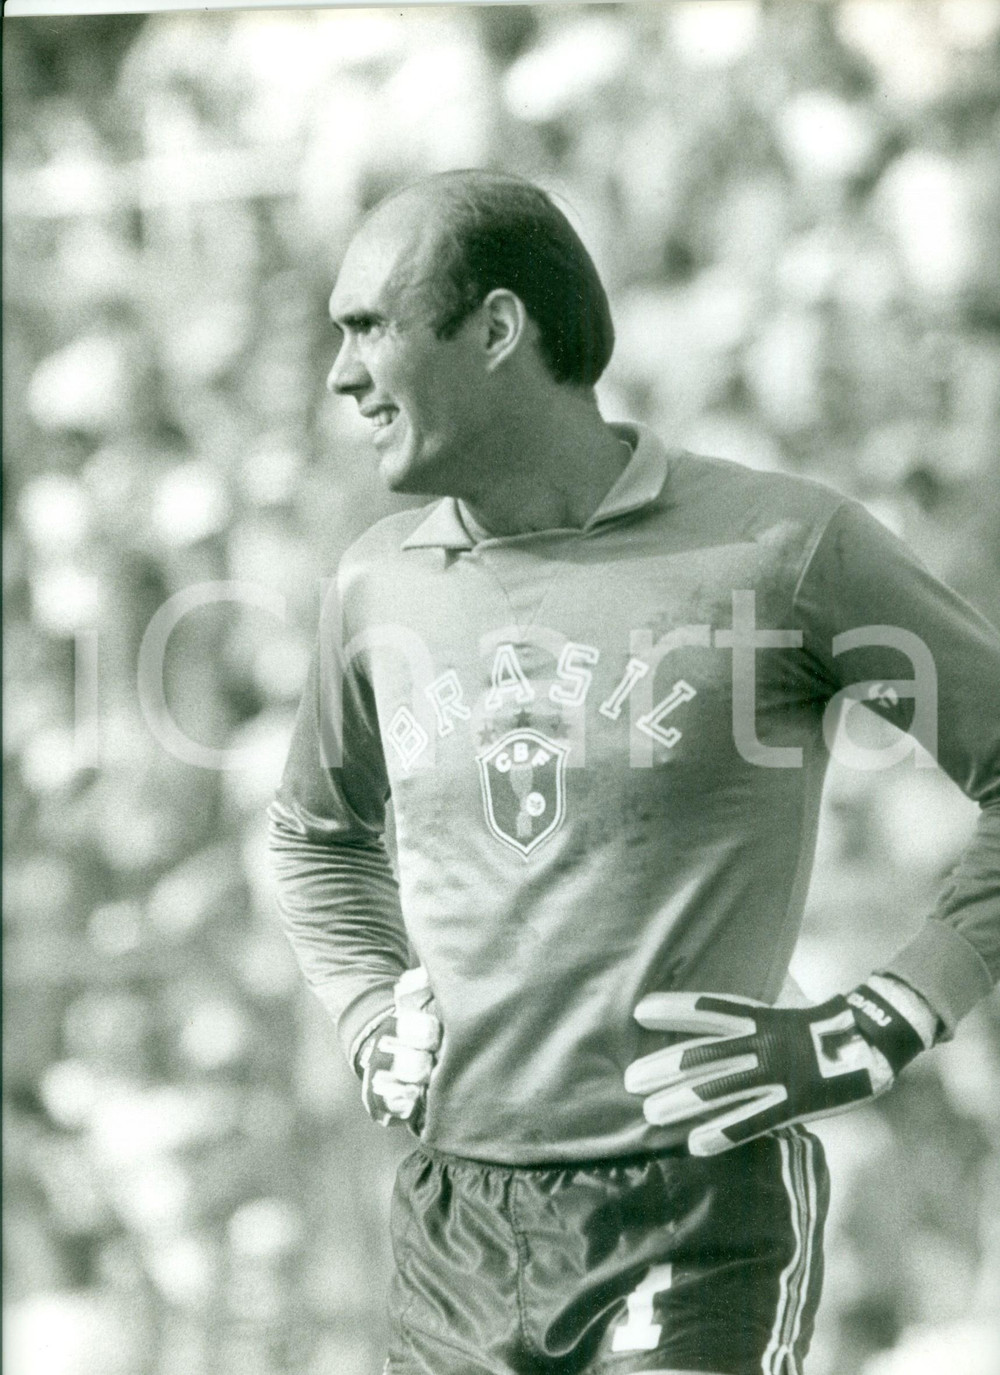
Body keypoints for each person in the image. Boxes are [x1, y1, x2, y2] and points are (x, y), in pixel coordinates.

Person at [268, 170, 1000, 1375]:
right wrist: (362, 1007)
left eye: (366, 329)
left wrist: (889, 1014)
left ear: (497, 330)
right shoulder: (373, 585)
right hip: (455, 1220)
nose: (341, 378)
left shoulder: (781, 546)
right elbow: (314, 834)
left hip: (694, 1206)